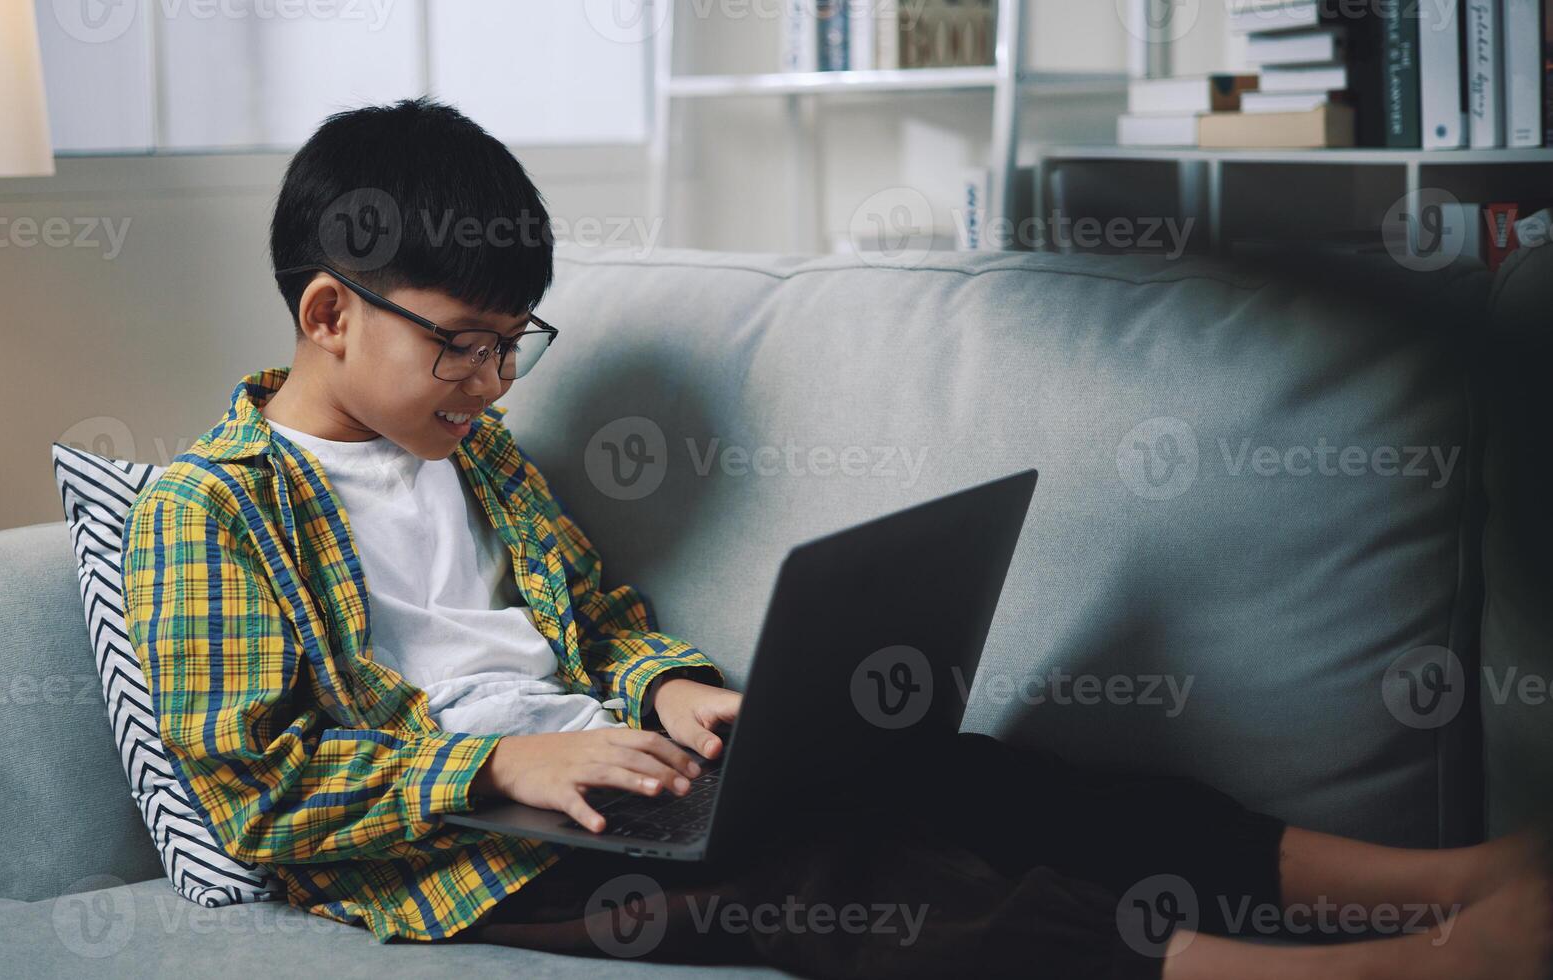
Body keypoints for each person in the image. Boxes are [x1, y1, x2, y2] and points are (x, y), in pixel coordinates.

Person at [121, 97, 1552, 980]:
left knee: (980, 779)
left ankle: (1442, 879)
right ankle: (1391, 974)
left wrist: (665, 687)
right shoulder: (212, 506)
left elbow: (600, 620)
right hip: (467, 848)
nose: (494, 383)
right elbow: (261, 789)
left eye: (513, 347)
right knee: (847, 890)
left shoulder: (473, 453)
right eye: (466, 347)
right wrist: (498, 759)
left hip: (613, 773)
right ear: (327, 314)